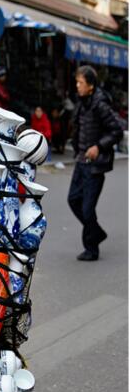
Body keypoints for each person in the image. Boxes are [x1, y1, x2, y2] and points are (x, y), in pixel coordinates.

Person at [67, 64, 123, 261]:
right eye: (77, 82)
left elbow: (117, 129)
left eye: (80, 82)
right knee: (73, 199)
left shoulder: (100, 104)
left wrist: (98, 146)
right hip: (81, 160)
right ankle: (97, 232)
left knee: (87, 208)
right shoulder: (82, 102)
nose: (77, 85)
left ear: (90, 85)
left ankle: (92, 248)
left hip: (95, 164)